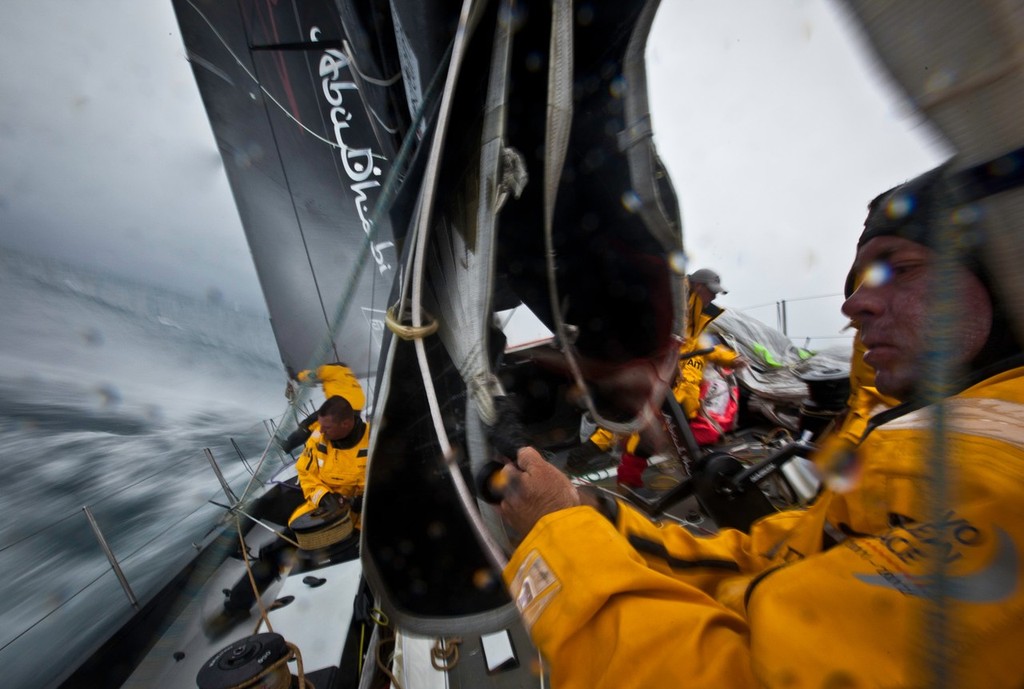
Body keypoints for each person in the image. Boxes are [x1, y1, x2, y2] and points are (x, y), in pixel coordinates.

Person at [495, 162, 1024, 688]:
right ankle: (625, 485)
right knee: (640, 445)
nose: (853, 304)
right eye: (861, 280)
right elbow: (763, 559)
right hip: (673, 400)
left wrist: (555, 534)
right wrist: (586, 513)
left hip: (682, 402)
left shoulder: (995, 477)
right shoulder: (926, 443)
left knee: (667, 440)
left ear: (1005, 274)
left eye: (898, 268)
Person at [289, 394, 371, 529]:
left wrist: (365, 500)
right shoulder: (318, 438)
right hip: (326, 506)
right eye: (320, 425)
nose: (321, 430)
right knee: (295, 525)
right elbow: (305, 473)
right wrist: (323, 498)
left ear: (346, 424)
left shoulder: (375, 439)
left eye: (326, 427)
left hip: (363, 512)